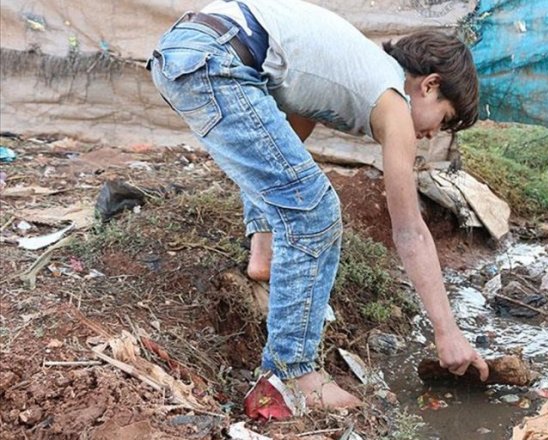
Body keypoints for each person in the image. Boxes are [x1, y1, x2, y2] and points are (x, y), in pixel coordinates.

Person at [149, 0, 488, 409]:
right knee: (315, 210)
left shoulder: (343, 69)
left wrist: (268, 236)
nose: (433, 134)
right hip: (215, 58)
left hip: (191, 50)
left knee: (292, 184)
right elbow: (410, 231)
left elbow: (278, 155)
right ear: (430, 85)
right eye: (444, 119)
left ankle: (262, 257)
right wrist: (447, 332)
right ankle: (290, 377)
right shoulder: (394, 100)